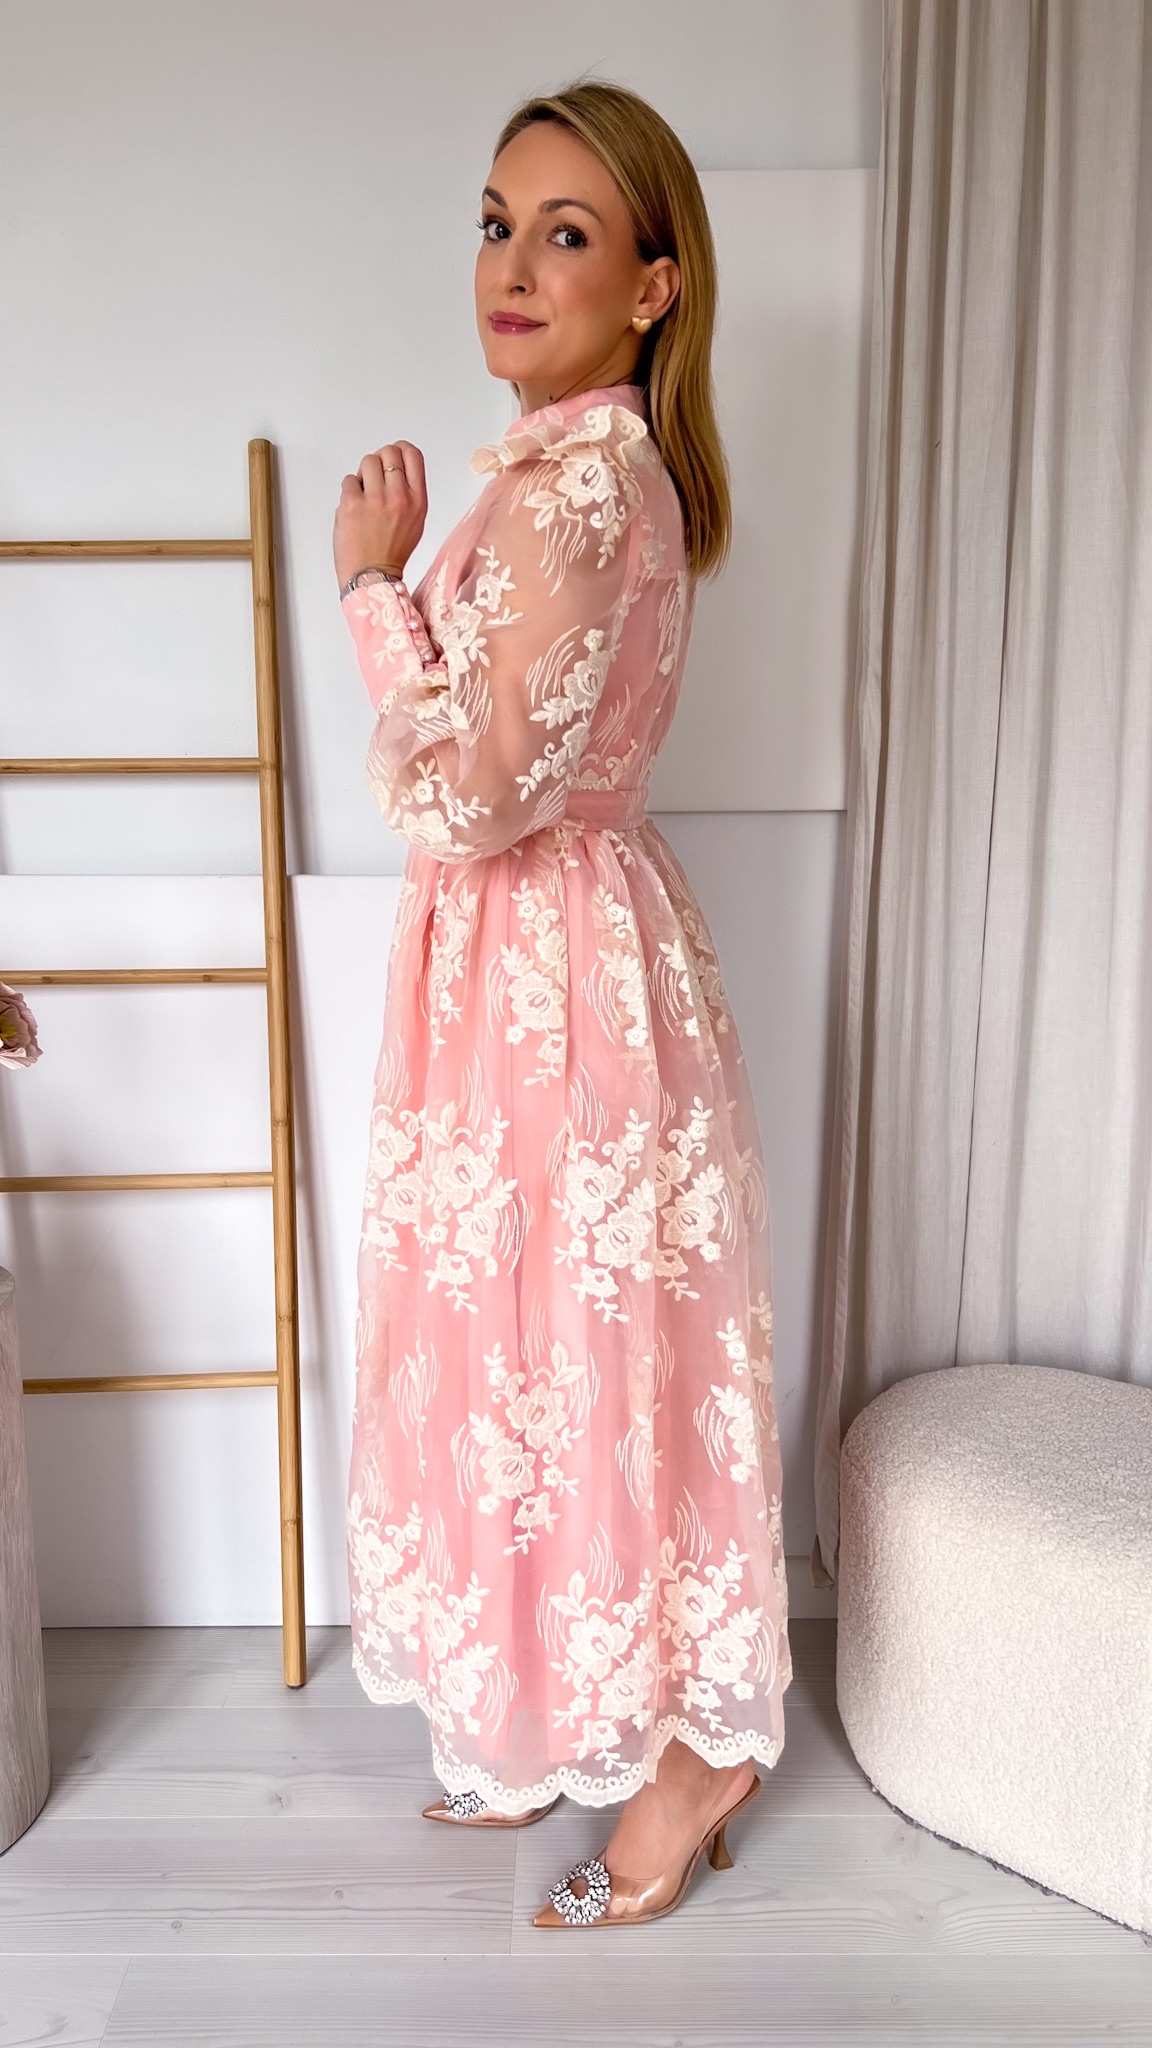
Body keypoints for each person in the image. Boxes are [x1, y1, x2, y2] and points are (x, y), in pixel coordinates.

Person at [332, 77, 791, 1931]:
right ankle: (548, 1711)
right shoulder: (565, 472)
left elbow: (466, 794)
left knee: (566, 1357)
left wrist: (370, 591)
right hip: (542, 961)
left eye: (568, 233)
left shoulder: (582, 485)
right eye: (496, 224)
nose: (512, 266)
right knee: (541, 1358)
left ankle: (689, 1766)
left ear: (655, 286)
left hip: (547, 972)